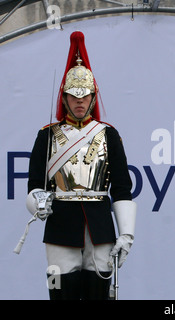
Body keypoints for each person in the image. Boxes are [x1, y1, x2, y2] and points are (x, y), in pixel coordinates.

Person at [26, 31, 136, 300]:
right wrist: (38, 203)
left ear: (93, 98)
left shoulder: (108, 134)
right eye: (73, 96)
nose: (79, 101)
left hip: (100, 227)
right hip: (60, 225)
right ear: (64, 98)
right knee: (60, 292)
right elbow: (34, 186)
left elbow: (122, 188)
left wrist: (127, 235)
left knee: (98, 294)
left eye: (84, 95)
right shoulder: (47, 135)